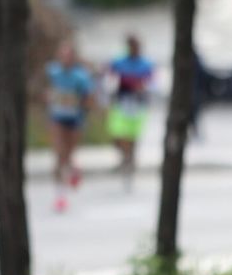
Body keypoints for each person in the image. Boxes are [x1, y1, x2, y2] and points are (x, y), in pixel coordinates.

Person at [44, 40, 97, 213]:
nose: (65, 59)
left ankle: (74, 170)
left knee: (68, 154)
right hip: (57, 118)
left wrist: (81, 105)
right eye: (62, 55)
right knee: (59, 154)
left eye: (68, 56)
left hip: (74, 119)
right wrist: (49, 97)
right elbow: (44, 89)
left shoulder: (80, 76)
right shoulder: (53, 72)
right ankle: (60, 195)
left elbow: (89, 97)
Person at [106, 34, 155, 186]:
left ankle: (130, 160)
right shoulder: (119, 62)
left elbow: (152, 83)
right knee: (118, 133)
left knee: (132, 135)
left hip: (137, 104)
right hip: (121, 103)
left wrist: (143, 87)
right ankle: (126, 157)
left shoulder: (146, 64)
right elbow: (108, 77)